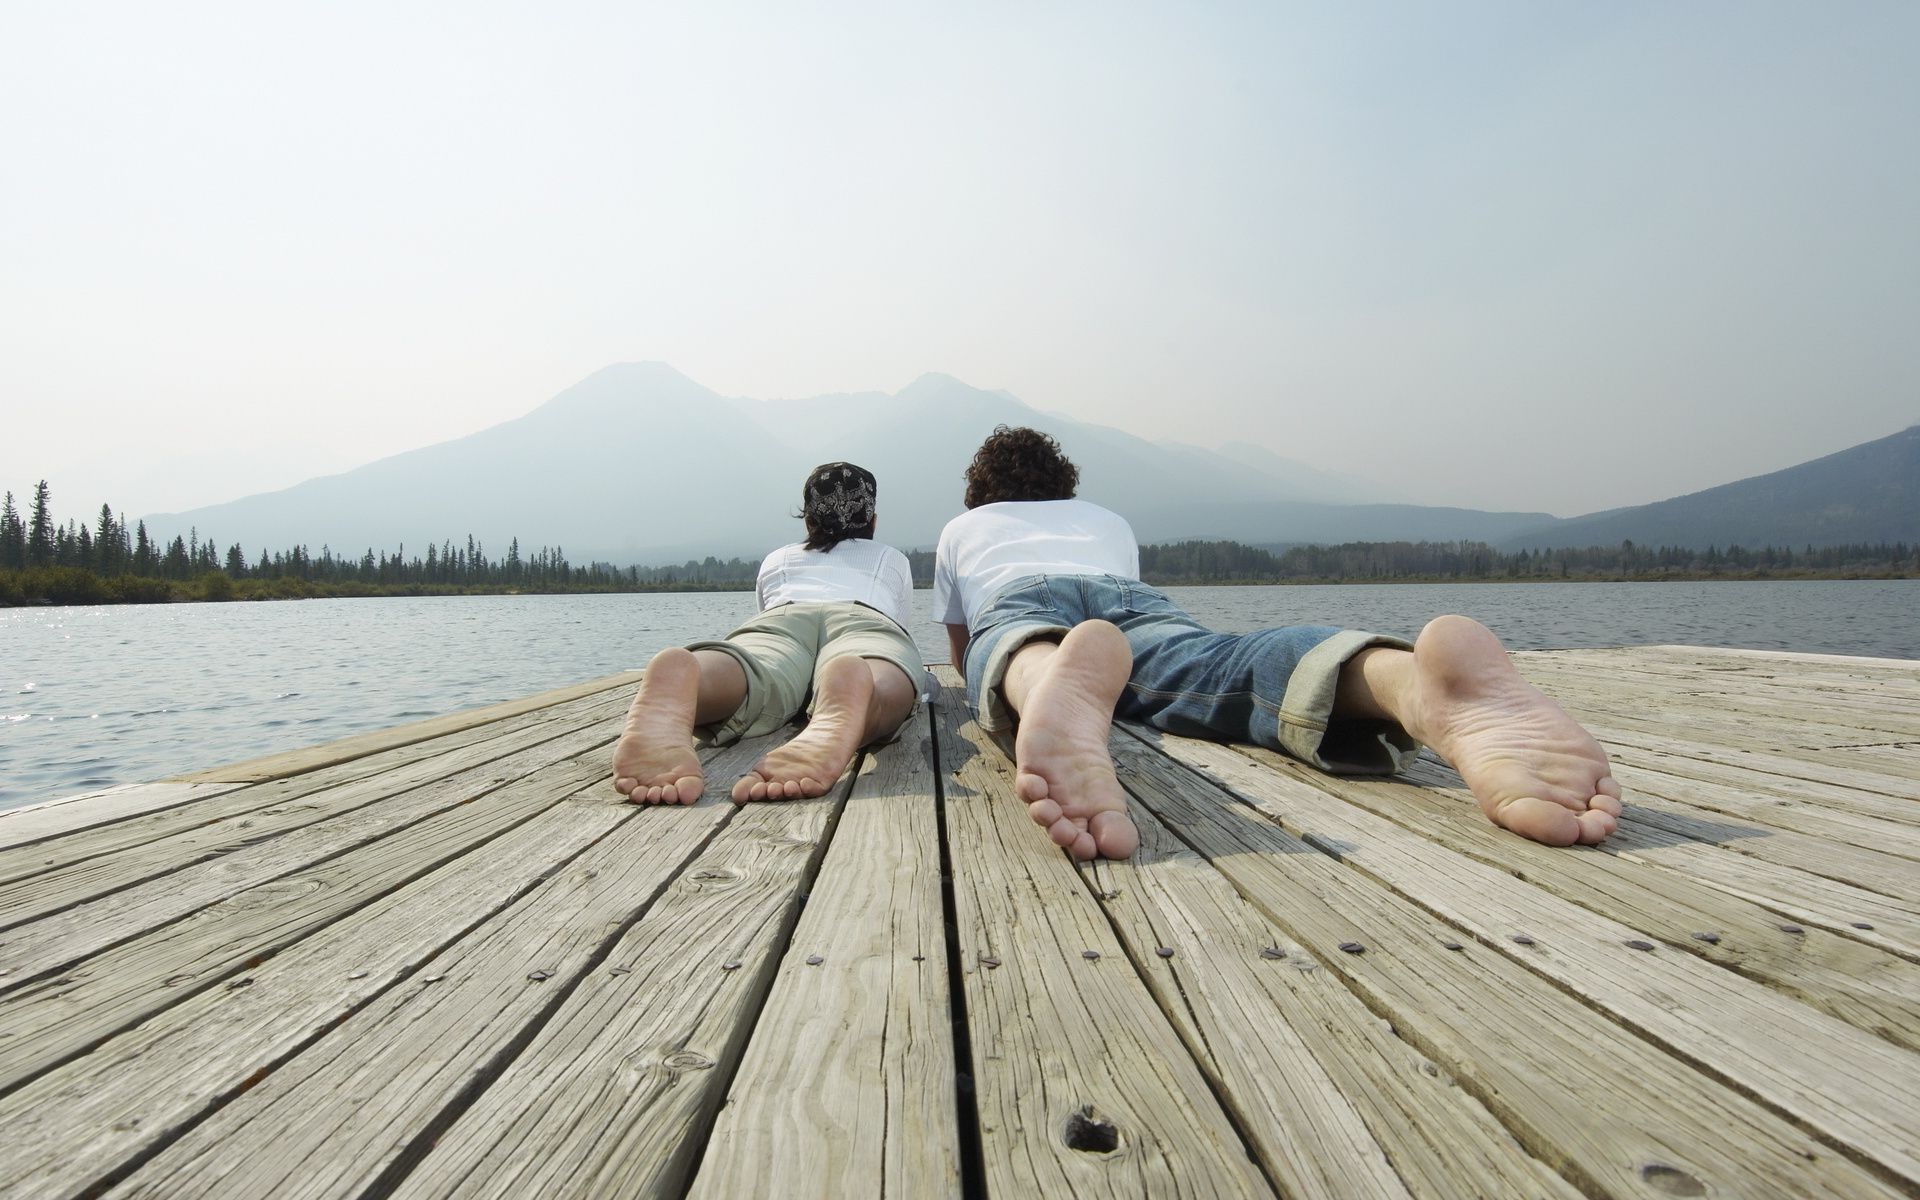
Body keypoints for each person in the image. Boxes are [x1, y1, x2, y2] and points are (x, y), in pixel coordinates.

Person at [933, 426, 1623, 861]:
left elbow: (964, 653)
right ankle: (1400, 679)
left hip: (1020, 596)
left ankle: (1043, 681)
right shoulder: (1106, 519)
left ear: (979, 493)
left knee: (1018, 647)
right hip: (1128, 599)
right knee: (1213, 665)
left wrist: (1006, 667)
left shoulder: (965, 530)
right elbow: (1117, 641)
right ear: (1064, 485)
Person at [613, 461, 923, 805]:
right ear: (873, 522)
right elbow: (898, 628)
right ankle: (861, 694)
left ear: (808, 521)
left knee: (756, 664)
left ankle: (693, 678)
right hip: (862, 615)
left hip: (785, 615)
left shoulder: (779, 558)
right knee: (875, 663)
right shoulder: (890, 558)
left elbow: (765, 614)